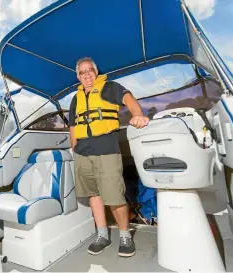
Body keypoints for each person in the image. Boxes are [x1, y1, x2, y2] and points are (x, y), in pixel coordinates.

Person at [68, 57, 149, 257]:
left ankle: (124, 235)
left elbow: (128, 98)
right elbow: (72, 125)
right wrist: (74, 147)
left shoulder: (110, 87)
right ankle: (102, 235)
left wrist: (137, 114)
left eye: (90, 70)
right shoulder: (75, 98)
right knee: (93, 195)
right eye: (82, 72)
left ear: (96, 72)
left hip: (106, 151)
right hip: (82, 154)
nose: (86, 74)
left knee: (114, 196)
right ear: (77, 76)